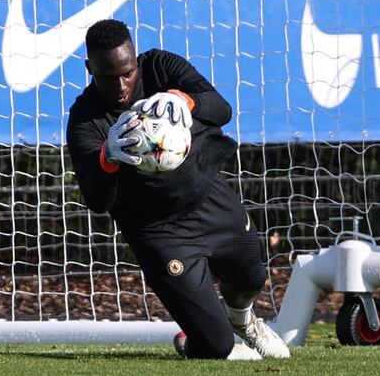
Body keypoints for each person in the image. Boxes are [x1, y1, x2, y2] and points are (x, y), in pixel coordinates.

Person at [66, 19, 289, 360]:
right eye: (108, 77)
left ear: (136, 60)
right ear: (89, 69)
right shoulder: (85, 119)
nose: (122, 86)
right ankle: (193, 340)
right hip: (159, 233)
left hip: (209, 197)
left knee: (252, 278)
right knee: (216, 346)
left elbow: (222, 109)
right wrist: (107, 157)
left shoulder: (161, 67)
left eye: (127, 73)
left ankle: (242, 318)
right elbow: (97, 201)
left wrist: (185, 101)